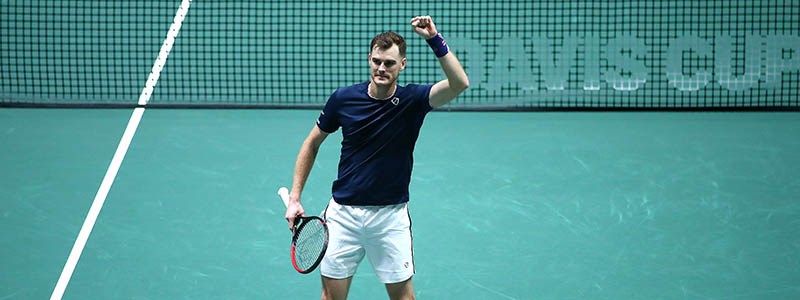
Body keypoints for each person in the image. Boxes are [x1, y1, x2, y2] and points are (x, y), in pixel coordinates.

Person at [284, 16, 469, 300]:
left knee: (404, 298)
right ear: (370, 60)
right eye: (376, 61)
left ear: (402, 65)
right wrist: (295, 197)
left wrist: (434, 38)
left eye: (390, 63)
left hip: (390, 218)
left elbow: (459, 84)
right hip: (342, 216)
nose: (381, 68)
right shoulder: (344, 99)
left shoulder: (413, 100)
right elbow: (311, 143)